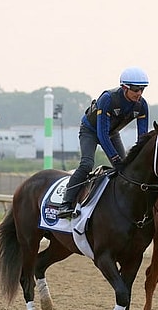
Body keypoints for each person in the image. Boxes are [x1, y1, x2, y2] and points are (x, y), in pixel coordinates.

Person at [58, 67, 150, 218]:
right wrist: (115, 159)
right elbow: (101, 134)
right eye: (135, 89)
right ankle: (65, 203)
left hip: (112, 133)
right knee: (87, 164)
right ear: (124, 87)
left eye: (142, 89)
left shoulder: (142, 105)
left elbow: (142, 138)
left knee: (125, 169)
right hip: (91, 131)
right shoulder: (108, 98)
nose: (139, 93)